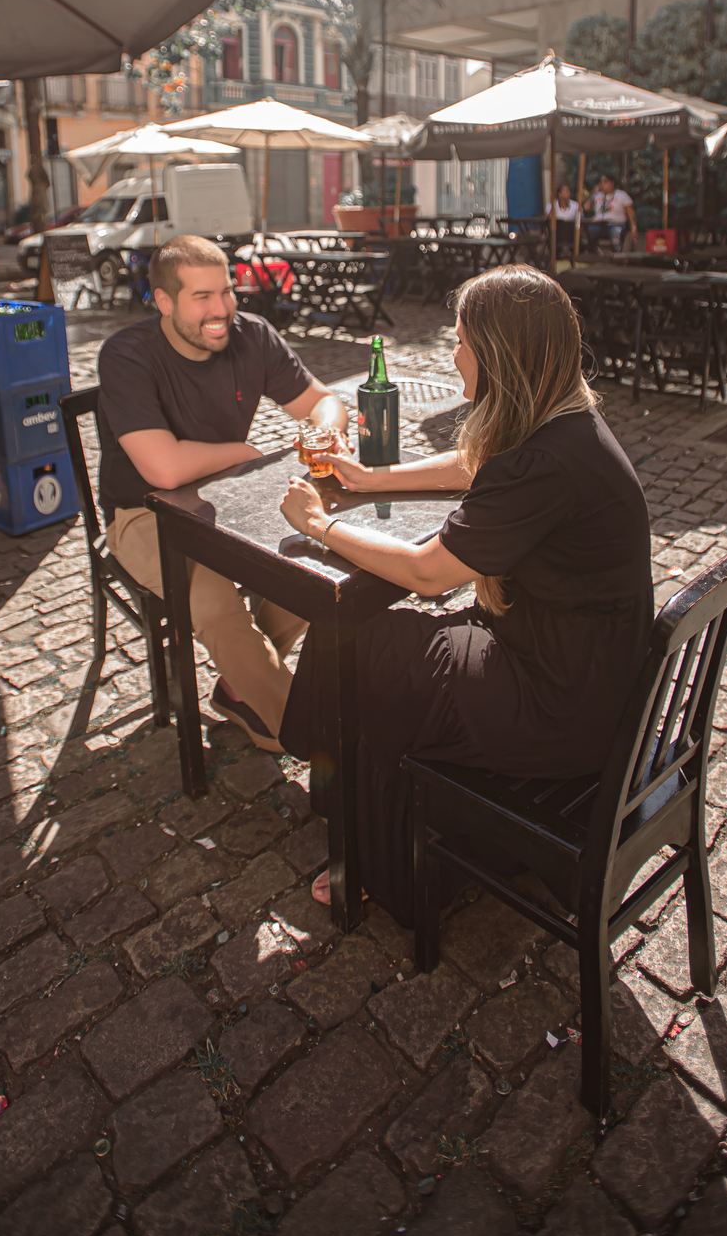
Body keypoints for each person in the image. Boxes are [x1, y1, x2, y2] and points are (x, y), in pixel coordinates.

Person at [277, 265, 653, 922]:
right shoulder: (563, 424)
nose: (452, 355)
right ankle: (357, 796)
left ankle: (369, 844)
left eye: (461, 342)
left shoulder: (544, 460)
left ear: (500, 356)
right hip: (589, 679)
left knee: (359, 641)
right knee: (379, 645)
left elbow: (427, 573)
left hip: (558, 709)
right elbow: (475, 464)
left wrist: (320, 524)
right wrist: (371, 479)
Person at [97, 235, 348, 751]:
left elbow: (323, 401)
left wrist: (323, 432)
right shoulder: (126, 354)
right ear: (164, 302)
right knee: (213, 602)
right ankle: (311, 735)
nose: (222, 310)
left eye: (227, 292)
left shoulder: (250, 335)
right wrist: (242, 451)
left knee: (317, 565)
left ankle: (240, 687)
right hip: (145, 513)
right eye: (202, 297)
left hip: (232, 501)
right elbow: (163, 469)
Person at [588, 174, 637, 251]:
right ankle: (592, 251)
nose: (603, 184)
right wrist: (593, 193)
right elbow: (586, 207)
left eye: (605, 182)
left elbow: (630, 213)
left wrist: (633, 228)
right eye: (601, 182)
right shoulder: (598, 195)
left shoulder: (621, 195)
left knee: (615, 232)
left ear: (612, 183)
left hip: (616, 223)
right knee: (591, 230)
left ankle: (617, 254)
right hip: (600, 224)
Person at [546, 181, 581, 255]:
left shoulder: (575, 205)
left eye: (569, 191)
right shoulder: (552, 205)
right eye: (566, 191)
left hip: (571, 233)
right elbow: (548, 219)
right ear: (560, 194)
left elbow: (580, 220)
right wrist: (552, 204)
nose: (569, 193)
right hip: (557, 233)